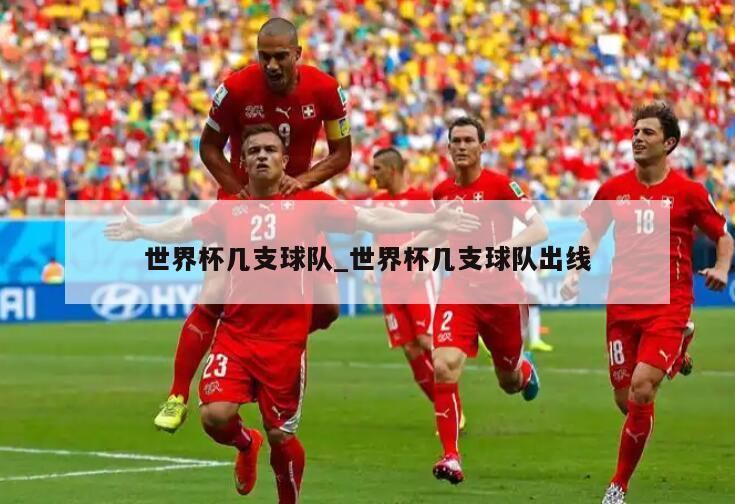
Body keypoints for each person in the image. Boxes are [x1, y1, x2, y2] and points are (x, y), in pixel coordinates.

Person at [105, 124, 479, 501]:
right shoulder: (229, 211)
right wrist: (144, 230)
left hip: (284, 344)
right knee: (214, 417)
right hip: (235, 337)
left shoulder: (309, 204)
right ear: (243, 163)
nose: (262, 156)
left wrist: (430, 221)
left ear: (285, 160)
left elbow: (371, 218)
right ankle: (245, 443)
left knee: (280, 435)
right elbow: (184, 228)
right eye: (254, 151)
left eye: (270, 150)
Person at [155, 17, 352, 433]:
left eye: (280, 57)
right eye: (265, 57)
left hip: (294, 207)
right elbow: (208, 147)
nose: (272, 65)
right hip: (240, 204)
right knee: (214, 291)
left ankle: (277, 345)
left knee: (330, 307)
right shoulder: (236, 89)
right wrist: (237, 190)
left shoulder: (326, 90)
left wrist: (302, 182)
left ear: (297, 54)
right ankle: (177, 394)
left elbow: (341, 153)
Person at [560, 102, 733, 504]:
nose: (638, 138)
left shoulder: (689, 192)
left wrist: (723, 268)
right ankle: (679, 349)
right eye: (635, 132)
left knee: (641, 388)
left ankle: (617, 486)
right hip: (622, 307)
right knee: (627, 401)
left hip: (669, 305)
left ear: (669, 143)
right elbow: (590, 236)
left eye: (648, 132)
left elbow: (724, 236)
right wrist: (574, 273)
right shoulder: (613, 190)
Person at [405, 117, 548, 484]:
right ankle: (451, 456)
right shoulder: (442, 192)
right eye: (456, 141)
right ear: (449, 147)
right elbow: (438, 232)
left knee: (508, 381)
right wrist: (410, 250)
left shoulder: (502, 186)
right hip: (460, 291)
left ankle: (524, 370)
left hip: (501, 295)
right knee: (443, 365)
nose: (462, 146)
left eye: (469, 140)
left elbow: (539, 229)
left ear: (482, 147)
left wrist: (500, 252)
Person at [365, 147, 465, 430]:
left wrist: (429, 260)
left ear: (392, 170)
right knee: (410, 350)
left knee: (426, 341)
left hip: (417, 280)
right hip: (391, 284)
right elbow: (378, 241)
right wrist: (371, 266)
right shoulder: (377, 203)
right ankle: (444, 409)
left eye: (377, 169)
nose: (373, 175)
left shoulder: (422, 199)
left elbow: (444, 234)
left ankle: (452, 407)